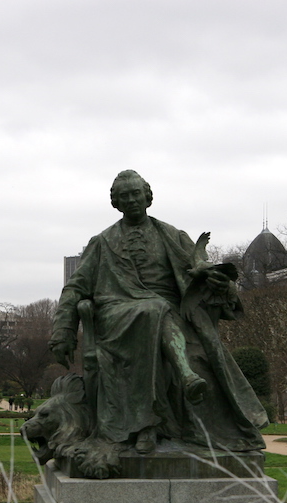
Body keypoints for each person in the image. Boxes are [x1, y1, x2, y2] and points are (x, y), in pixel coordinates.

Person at [50, 170, 268, 454]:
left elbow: (204, 276)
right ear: (115, 203)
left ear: (147, 197)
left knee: (158, 311)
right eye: (123, 196)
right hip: (118, 312)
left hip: (172, 314)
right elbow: (75, 288)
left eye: (135, 194)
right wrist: (63, 331)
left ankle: (157, 425)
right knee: (153, 310)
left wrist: (221, 284)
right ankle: (180, 383)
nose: (130, 200)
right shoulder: (101, 242)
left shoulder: (174, 236)